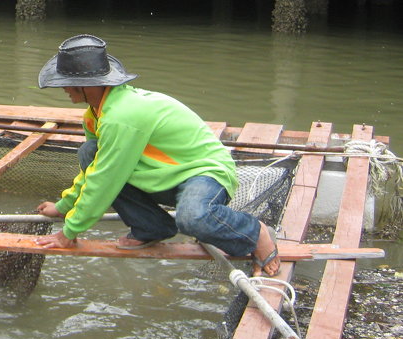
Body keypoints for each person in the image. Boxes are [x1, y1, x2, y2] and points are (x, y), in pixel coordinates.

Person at [33, 34, 280, 277]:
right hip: (164, 174)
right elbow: (95, 170)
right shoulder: (95, 114)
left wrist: (69, 232)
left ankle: (255, 233)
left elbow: (104, 180)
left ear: (88, 85)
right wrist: (64, 207)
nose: (64, 89)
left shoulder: (122, 116)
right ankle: (152, 228)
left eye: (66, 82)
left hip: (204, 173)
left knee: (193, 219)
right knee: (90, 152)